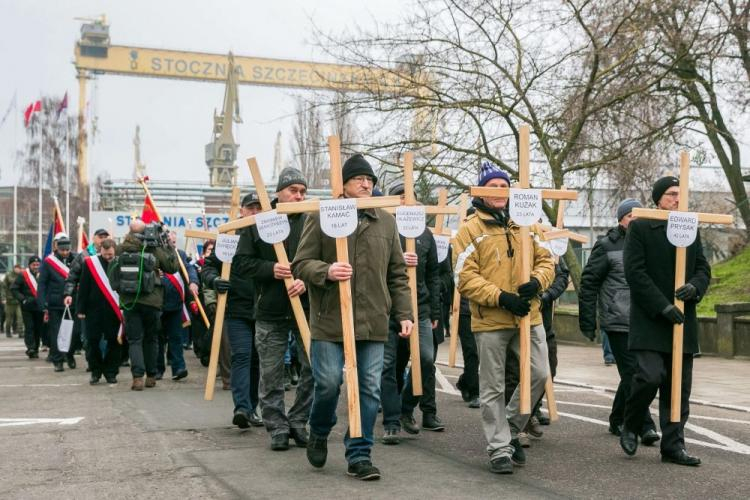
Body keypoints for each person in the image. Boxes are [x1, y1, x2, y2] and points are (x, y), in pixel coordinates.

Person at [293, 154, 413, 481]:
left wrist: (404, 313)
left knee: (369, 389)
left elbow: (397, 274)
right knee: (329, 383)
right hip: (330, 320)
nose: (366, 184)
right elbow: (301, 263)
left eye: (370, 180)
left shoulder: (386, 222)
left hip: (374, 321)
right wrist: (327, 270)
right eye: (359, 179)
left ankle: (359, 454)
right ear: (343, 185)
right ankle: (318, 430)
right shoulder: (321, 217)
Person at [452, 161, 555, 475]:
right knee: (493, 386)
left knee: (539, 374)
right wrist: (502, 297)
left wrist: (537, 282)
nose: (499, 191)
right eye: (492, 186)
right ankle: (498, 448)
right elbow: (464, 277)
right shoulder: (470, 229)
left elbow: (547, 260)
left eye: (504, 185)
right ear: (481, 191)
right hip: (491, 321)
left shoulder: (527, 223)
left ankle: (510, 425)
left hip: (528, 317)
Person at [620, 177, 711, 466]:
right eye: (672, 194)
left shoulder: (689, 226)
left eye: (681, 194)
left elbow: (702, 268)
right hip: (650, 320)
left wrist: (695, 287)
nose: (677, 198)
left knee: (678, 388)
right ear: (659, 198)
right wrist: (662, 306)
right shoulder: (642, 227)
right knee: (649, 376)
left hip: (682, 321)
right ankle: (632, 423)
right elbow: (635, 273)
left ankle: (673, 446)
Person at [240, 169, 315, 451]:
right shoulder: (259, 223)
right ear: (279, 192)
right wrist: (270, 268)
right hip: (270, 310)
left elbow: (323, 260)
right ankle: (277, 426)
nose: (299, 196)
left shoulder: (312, 221)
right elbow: (242, 263)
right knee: (271, 373)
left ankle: (298, 420)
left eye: (303, 191)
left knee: (314, 368)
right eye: (293, 190)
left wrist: (306, 281)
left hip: (306, 308)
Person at [579, 198, 658, 444]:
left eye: (639, 216)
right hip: (618, 320)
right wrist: (588, 320)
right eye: (630, 216)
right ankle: (644, 426)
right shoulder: (606, 246)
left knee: (636, 374)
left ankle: (616, 418)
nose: (635, 220)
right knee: (634, 374)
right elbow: (589, 282)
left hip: (644, 320)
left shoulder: (649, 243)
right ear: (621, 219)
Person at [381, 182, 443, 445]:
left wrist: (434, 311)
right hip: (386, 308)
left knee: (425, 360)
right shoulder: (381, 229)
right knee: (387, 367)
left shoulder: (425, 235)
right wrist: (396, 260)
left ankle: (407, 408)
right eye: (399, 197)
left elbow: (433, 275)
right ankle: (391, 420)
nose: (406, 202)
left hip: (420, 308)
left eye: (411, 198)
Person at [203, 193, 264, 429]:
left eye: (260, 207)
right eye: (251, 208)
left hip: (264, 310)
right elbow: (208, 267)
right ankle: (242, 407)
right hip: (236, 309)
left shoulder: (272, 237)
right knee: (242, 355)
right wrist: (215, 280)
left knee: (257, 360)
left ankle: (252, 407)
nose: (255, 212)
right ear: (242, 211)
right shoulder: (228, 238)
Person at [111, 219, 178, 391]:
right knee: (151, 339)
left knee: (134, 340)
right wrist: (168, 245)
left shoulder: (120, 248)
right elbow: (172, 267)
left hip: (129, 302)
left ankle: (137, 378)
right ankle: (151, 376)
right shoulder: (154, 248)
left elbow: (112, 273)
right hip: (152, 301)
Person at [75, 239, 121, 384]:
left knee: (115, 341)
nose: (108, 257)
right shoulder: (90, 263)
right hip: (93, 309)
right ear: (100, 250)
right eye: (106, 254)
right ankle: (95, 371)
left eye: (111, 254)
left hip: (113, 309)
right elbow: (83, 287)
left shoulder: (119, 262)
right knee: (92, 341)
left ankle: (111, 371)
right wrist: (80, 308)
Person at [156, 231, 199, 381]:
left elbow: (189, 269)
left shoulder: (179, 254)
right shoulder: (153, 254)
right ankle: (157, 369)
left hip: (175, 304)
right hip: (157, 303)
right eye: (169, 241)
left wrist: (193, 282)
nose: (171, 244)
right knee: (158, 339)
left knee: (176, 338)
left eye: (174, 242)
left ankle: (178, 368)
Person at [38, 233, 78, 372]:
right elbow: (42, 284)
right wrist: (42, 303)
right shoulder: (49, 262)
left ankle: (70, 355)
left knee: (74, 332)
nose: (65, 253)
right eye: (63, 250)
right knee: (56, 333)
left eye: (67, 250)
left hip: (73, 301)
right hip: (55, 303)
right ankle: (58, 360)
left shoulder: (76, 259)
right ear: (57, 249)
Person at [11, 257, 43, 358]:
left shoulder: (43, 274)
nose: (36, 267)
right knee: (29, 327)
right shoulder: (23, 275)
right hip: (27, 306)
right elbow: (14, 288)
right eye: (34, 265)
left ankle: (36, 348)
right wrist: (23, 299)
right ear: (29, 265)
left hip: (39, 306)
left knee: (38, 328)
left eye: (38, 265)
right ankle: (31, 348)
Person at [3, 264, 24, 338]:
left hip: (18, 301)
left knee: (20, 317)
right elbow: (3, 287)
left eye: (19, 268)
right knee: (9, 319)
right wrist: (3, 298)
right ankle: (8, 332)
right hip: (9, 300)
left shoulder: (22, 276)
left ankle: (21, 332)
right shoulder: (8, 275)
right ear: (14, 268)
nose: (18, 270)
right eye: (17, 268)